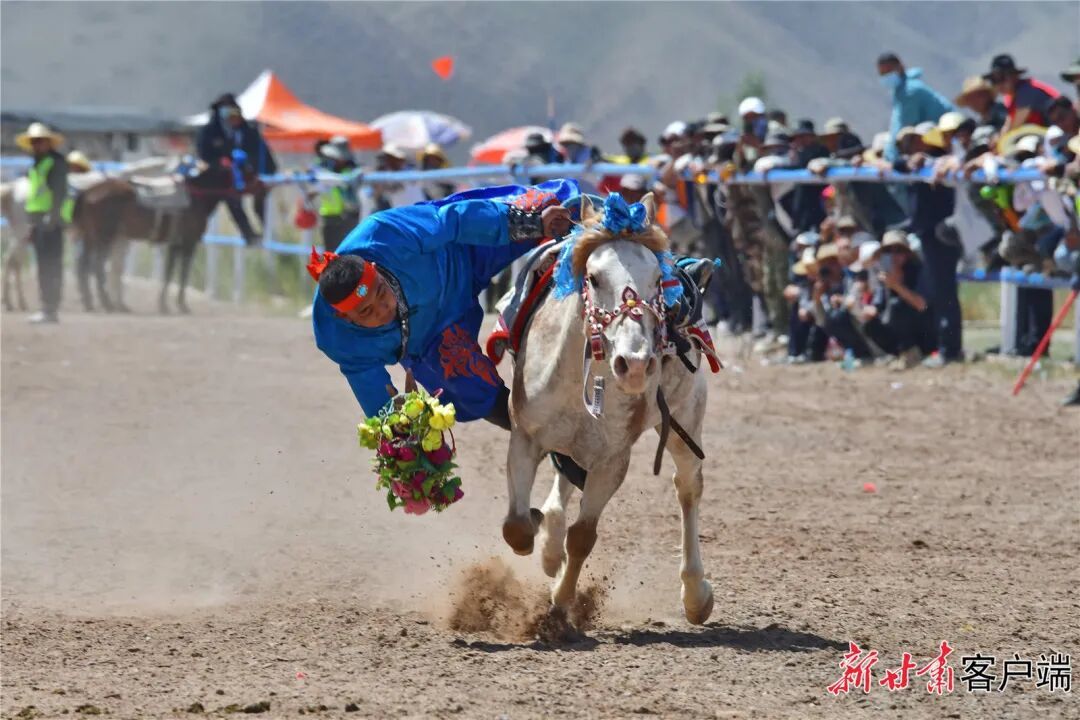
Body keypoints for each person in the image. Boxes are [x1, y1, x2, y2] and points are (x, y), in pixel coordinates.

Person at [310, 181, 586, 484]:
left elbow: (453, 220)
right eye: (366, 312)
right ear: (342, 317)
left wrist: (533, 223)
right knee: (474, 391)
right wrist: (406, 455)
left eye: (380, 292)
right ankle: (552, 443)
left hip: (463, 248)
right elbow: (381, 404)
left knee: (560, 208)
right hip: (431, 338)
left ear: (375, 267)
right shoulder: (338, 339)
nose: (382, 308)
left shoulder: (385, 234)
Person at [195, 93, 278, 245]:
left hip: (243, 177)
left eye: (232, 110)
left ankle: (264, 236)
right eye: (225, 110)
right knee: (212, 206)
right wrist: (219, 163)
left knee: (251, 202)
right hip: (215, 179)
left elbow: (260, 155)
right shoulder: (209, 131)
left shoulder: (247, 131)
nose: (230, 115)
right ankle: (194, 232)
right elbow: (204, 155)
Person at [859, 230, 935, 368]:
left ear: (907, 253)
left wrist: (897, 286)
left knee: (897, 305)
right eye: (888, 251)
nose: (893, 256)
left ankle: (912, 353)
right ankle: (899, 354)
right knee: (870, 325)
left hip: (925, 332)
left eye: (899, 251)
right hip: (898, 331)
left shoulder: (918, 271)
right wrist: (870, 310)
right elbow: (879, 304)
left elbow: (922, 305)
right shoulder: (884, 274)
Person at [17, 123, 68, 324]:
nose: (36, 145)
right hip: (38, 220)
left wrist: (52, 217)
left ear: (48, 143)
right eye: (34, 142)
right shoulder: (36, 165)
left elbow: (59, 192)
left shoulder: (55, 163)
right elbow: (34, 197)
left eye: (39, 141)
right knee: (43, 265)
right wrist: (32, 225)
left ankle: (50, 308)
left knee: (51, 265)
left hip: (50, 222)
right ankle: (47, 306)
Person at [876, 52, 953, 162]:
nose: (886, 77)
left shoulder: (910, 91)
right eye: (882, 74)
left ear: (900, 67)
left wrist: (890, 160)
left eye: (889, 72)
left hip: (938, 147)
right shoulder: (901, 92)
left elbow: (904, 129)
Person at [985, 54, 1061, 132]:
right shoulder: (1010, 98)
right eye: (994, 80)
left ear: (1014, 76)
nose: (999, 84)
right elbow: (1007, 127)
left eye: (1002, 78)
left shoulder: (1026, 91)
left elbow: (1014, 128)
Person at [313, 138, 361, 253]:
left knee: (349, 253)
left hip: (349, 216)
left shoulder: (353, 168)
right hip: (331, 216)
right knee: (330, 254)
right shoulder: (323, 167)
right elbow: (317, 176)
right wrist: (343, 180)